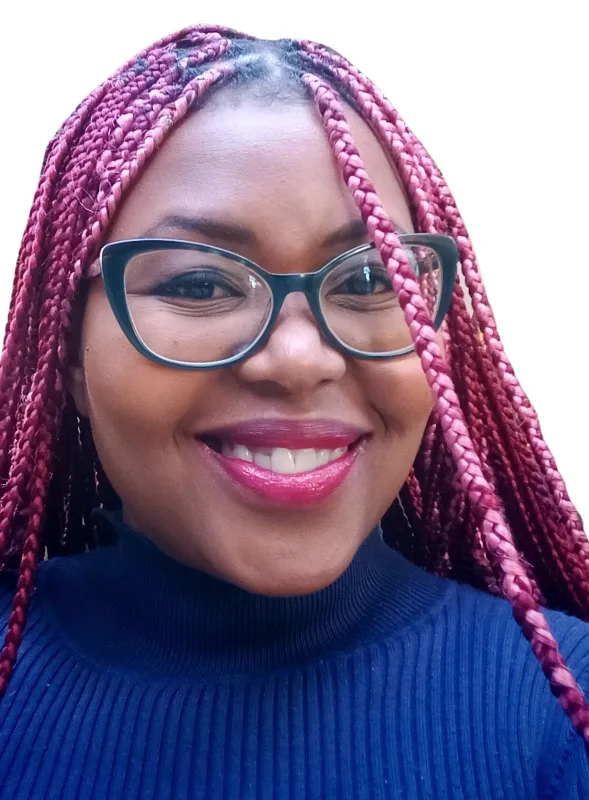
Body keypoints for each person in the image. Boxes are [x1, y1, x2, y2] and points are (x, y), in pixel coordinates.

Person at [0, 23, 587, 799]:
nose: (299, 359)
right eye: (199, 284)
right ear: (68, 352)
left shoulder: (560, 711)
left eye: (370, 280)